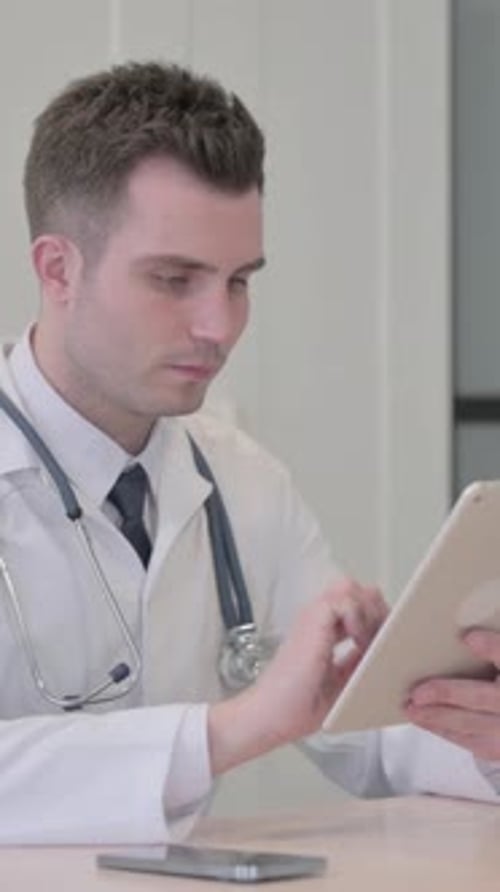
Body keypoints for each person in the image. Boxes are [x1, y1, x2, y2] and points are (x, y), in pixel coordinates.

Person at [0, 60, 499, 846]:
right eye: (175, 279)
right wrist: (229, 731)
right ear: (59, 269)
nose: (219, 326)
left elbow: (367, 725)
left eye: (238, 281)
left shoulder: (241, 483)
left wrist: (480, 727)